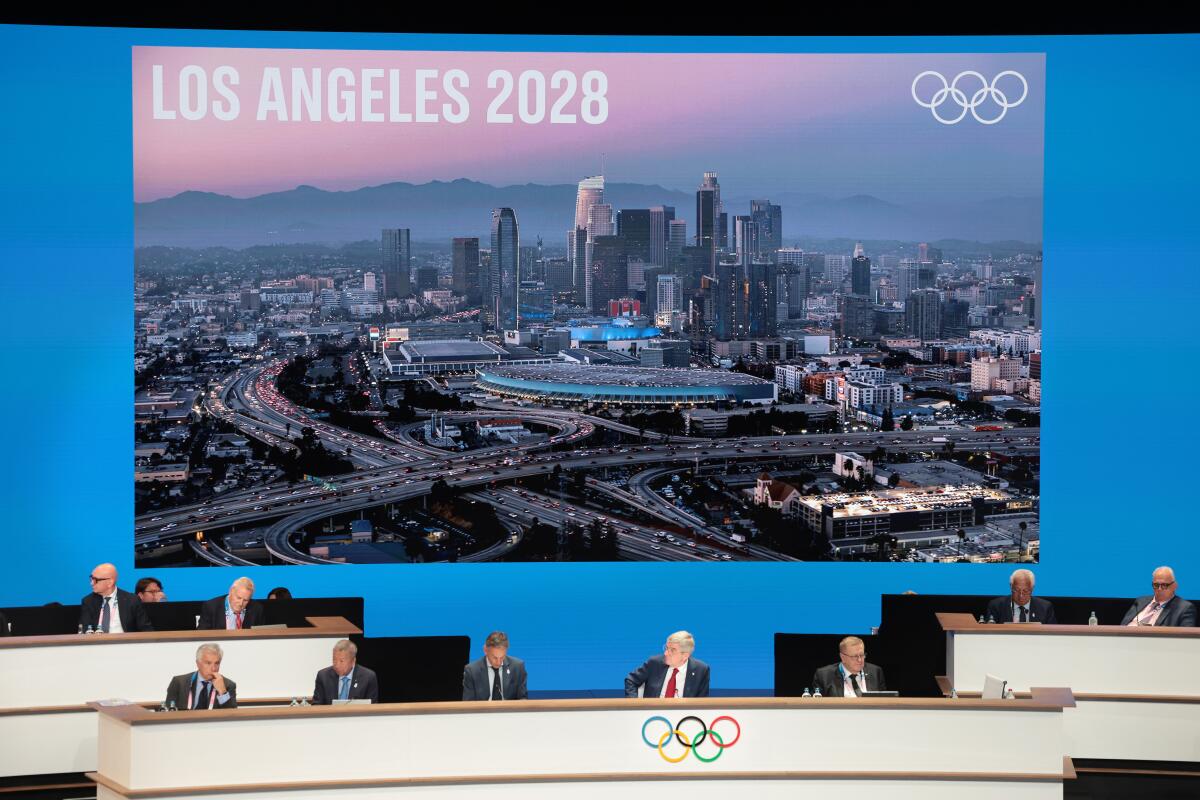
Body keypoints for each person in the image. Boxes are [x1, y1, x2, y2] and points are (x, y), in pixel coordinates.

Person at [624, 631, 710, 698]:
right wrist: (634, 704)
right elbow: (631, 680)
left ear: (685, 655)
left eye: (672, 650)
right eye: (666, 648)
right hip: (653, 713)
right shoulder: (654, 663)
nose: (666, 653)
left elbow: (701, 702)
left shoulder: (701, 670)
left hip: (683, 714)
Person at [78, 563, 153, 633]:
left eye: (95, 580)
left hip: (125, 641)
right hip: (97, 641)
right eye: (91, 579)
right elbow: (85, 630)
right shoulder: (88, 601)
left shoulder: (132, 600)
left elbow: (146, 629)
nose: (91, 583)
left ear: (110, 582)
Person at [165, 643, 237, 710]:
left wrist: (222, 692)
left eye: (217, 663)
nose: (213, 668)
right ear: (198, 663)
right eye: (208, 663)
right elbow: (169, 712)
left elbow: (232, 715)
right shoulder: (179, 683)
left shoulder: (228, 685)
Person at [1120, 566, 1197, 627]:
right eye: (1156, 585)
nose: (1159, 589)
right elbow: (1122, 625)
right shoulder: (1140, 601)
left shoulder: (1184, 608)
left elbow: (1186, 636)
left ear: (1174, 586)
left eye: (1164, 585)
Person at [811, 636, 887, 697]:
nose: (860, 660)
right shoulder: (824, 676)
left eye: (862, 655)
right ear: (843, 657)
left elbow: (885, 702)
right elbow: (816, 705)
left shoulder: (875, 672)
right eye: (855, 656)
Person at [463, 631, 528, 701]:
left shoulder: (518, 667)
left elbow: (523, 699)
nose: (498, 662)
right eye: (494, 657)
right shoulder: (472, 671)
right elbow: (468, 703)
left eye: (502, 657)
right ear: (485, 650)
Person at [312, 639, 379, 704]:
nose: (337, 665)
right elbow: (317, 706)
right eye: (334, 660)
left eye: (341, 661)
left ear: (353, 661)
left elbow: (372, 707)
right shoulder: (323, 676)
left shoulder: (368, 677)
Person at [985, 568, 1057, 624]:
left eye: (1026, 591)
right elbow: (989, 633)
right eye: (1016, 590)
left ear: (1032, 589)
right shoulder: (996, 606)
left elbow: (1053, 634)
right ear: (1011, 587)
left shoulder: (1045, 608)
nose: (1021, 595)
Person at [198, 577, 265, 630]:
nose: (241, 603)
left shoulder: (257, 608)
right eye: (238, 598)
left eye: (245, 600)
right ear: (231, 591)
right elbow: (202, 634)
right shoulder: (211, 606)